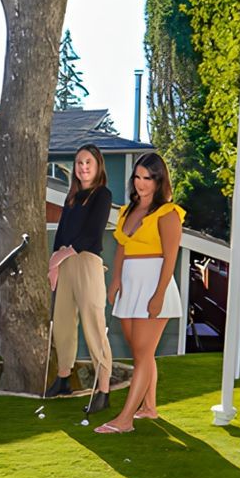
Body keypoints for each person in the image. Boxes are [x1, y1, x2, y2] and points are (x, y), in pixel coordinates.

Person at [97, 153, 183, 435]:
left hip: (153, 286)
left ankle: (125, 419)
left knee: (144, 353)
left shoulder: (168, 214)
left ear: (159, 181)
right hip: (130, 287)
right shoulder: (125, 211)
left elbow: (170, 258)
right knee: (141, 353)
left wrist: (158, 295)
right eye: (137, 177)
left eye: (148, 178)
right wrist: (115, 282)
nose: (141, 183)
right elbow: (122, 247)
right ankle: (150, 407)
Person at [45, 143, 115, 415]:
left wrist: (60, 256)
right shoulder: (71, 197)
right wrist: (55, 265)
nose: (83, 167)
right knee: (62, 323)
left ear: (97, 166)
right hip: (65, 265)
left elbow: (92, 235)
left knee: (93, 327)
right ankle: (63, 378)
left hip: (87, 263)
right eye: (79, 163)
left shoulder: (103, 195)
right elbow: (62, 233)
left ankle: (104, 389)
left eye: (88, 162)